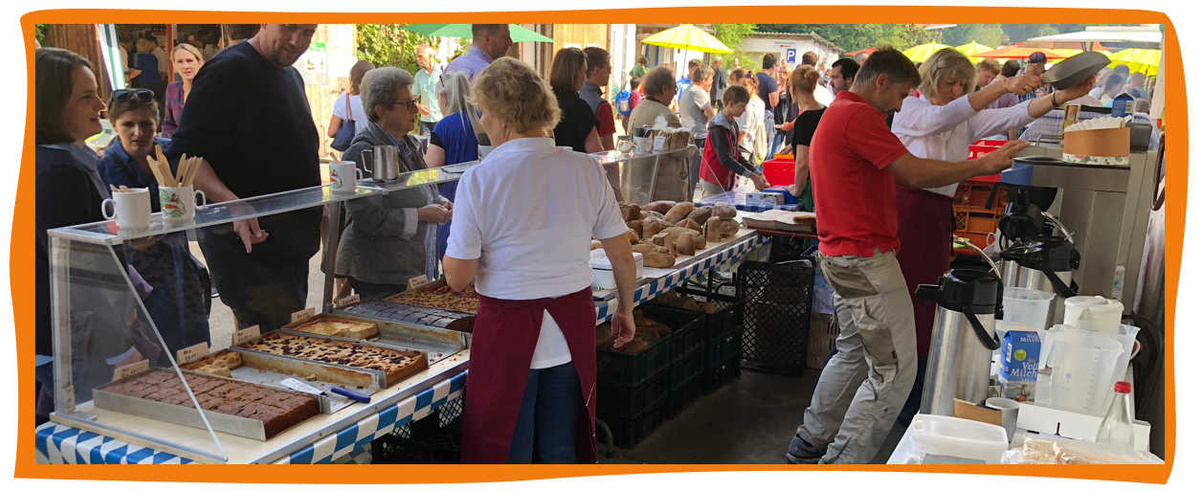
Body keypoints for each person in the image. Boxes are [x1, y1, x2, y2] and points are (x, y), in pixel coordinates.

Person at [785, 47, 1026, 465]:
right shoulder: (859, 115)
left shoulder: (840, 112)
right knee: (895, 371)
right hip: (865, 260)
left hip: (841, 254)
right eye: (899, 95)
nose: (901, 106)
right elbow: (913, 172)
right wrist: (981, 164)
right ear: (881, 82)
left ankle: (810, 440)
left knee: (855, 354)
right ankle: (841, 463)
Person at [444, 57, 637, 464]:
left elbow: (457, 277)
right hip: (571, 329)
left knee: (506, 453)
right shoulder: (585, 170)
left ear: (503, 116)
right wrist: (626, 309)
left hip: (507, 331)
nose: (482, 122)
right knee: (561, 449)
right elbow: (621, 254)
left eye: (483, 112)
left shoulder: (479, 180)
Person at [888, 47, 1096, 425]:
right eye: (948, 82)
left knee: (933, 301)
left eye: (961, 84)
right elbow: (947, 115)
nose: (954, 90)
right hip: (907, 210)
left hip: (935, 214)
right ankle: (903, 392)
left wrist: (1058, 97)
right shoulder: (913, 109)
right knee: (910, 300)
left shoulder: (960, 115)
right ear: (930, 78)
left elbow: (1011, 114)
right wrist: (1005, 84)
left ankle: (920, 387)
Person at [168, 24, 322, 331]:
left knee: (285, 340)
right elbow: (183, 156)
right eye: (290, 28)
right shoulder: (226, 71)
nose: (297, 41)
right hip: (250, 249)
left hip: (291, 245)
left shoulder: (291, 75)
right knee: (273, 347)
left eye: (307, 32)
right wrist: (233, 202)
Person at [34, 48, 140, 423]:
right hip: (75, 340)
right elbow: (79, 270)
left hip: (71, 336)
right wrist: (117, 350)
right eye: (86, 96)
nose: (100, 103)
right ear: (50, 106)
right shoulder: (58, 172)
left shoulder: (69, 157)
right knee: (95, 426)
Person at [97, 89, 213, 354]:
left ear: (157, 122)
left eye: (146, 123)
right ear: (114, 125)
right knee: (154, 356)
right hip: (138, 276)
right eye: (128, 124)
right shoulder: (104, 166)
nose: (138, 132)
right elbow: (98, 223)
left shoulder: (174, 155)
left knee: (196, 350)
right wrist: (125, 238)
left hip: (179, 267)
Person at [337, 67, 452, 299]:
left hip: (414, 270)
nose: (415, 110)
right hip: (383, 277)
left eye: (415, 101)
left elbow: (424, 190)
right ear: (381, 111)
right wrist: (421, 214)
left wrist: (440, 202)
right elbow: (368, 218)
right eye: (408, 104)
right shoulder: (361, 152)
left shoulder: (409, 144)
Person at [425, 71, 481, 260]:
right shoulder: (484, 120)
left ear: (443, 97)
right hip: (482, 205)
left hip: (452, 209)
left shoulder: (444, 126)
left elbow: (430, 170)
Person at [626, 67, 687, 201]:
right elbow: (680, 152)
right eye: (674, 90)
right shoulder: (667, 116)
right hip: (660, 187)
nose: (674, 95)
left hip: (637, 182)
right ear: (664, 89)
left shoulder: (637, 110)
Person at [697, 85, 767, 199]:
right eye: (741, 107)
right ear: (731, 104)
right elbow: (726, 159)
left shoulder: (732, 124)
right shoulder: (718, 127)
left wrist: (756, 172)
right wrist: (752, 176)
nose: (744, 110)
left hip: (726, 182)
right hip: (713, 182)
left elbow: (736, 155)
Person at [786, 66, 826, 212]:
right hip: (827, 181)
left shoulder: (804, 120)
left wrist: (796, 189)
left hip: (812, 186)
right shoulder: (826, 111)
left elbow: (803, 162)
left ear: (793, 88)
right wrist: (793, 145)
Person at [549, 47, 602, 153]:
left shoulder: (541, 103)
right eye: (584, 71)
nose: (585, 77)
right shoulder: (579, 108)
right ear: (576, 73)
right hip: (576, 167)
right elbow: (596, 152)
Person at [680, 65, 717, 199]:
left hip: (688, 136)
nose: (712, 83)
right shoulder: (699, 92)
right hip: (699, 137)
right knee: (698, 176)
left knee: (690, 176)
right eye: (711, 80)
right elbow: (712, 116)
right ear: (704, 79)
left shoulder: (687, 90)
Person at [161, 43, 204, 138]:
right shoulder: (172, 89)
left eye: (189, 61)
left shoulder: (211, 89)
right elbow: (168, 123)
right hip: (180, 148)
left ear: (200, 63)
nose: (185, 66)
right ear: (174, 65)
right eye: (180, 62)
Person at [328, 59, 374, 146]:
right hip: (373, 151)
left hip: (350, 153)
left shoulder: (344, 100)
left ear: (352, 77)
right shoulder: (380, 99)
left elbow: (331, 132)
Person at [444, 24, 512, 82]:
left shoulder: (451, 66)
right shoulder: (489, 76)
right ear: (487, 39)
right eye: (506, 37)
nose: (510, 43)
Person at [580, 47, 617, 151]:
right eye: (608, 68)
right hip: (593, 164)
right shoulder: (602, 106)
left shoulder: (571, 98)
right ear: (596, 70)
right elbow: (608, 150)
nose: (610, 72)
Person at [738, 70, 768, 165]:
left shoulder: (748, 105)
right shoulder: (760, 103)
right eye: (741, 85)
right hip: (751, 146)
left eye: (745, 85)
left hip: (742, 147)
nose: (742, 88)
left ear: (753, 87)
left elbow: (743, 131)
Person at [413, 44, 443, 136]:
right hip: (425, 122)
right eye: (417, 57)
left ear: (430, 56)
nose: (418, 59)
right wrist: (417, 106)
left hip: (441, 121)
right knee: (425, 149)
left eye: (420, 56)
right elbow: (413, 97)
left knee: (443, 149)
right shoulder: (419, 75)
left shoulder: (443, 72)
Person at [756, 54, 781, 160]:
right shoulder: (770, 81)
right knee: (764, 150)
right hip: (766, 117)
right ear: (774, 66)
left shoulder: (754, 77)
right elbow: (774, 103)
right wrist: (779, 90)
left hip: (753, 113)